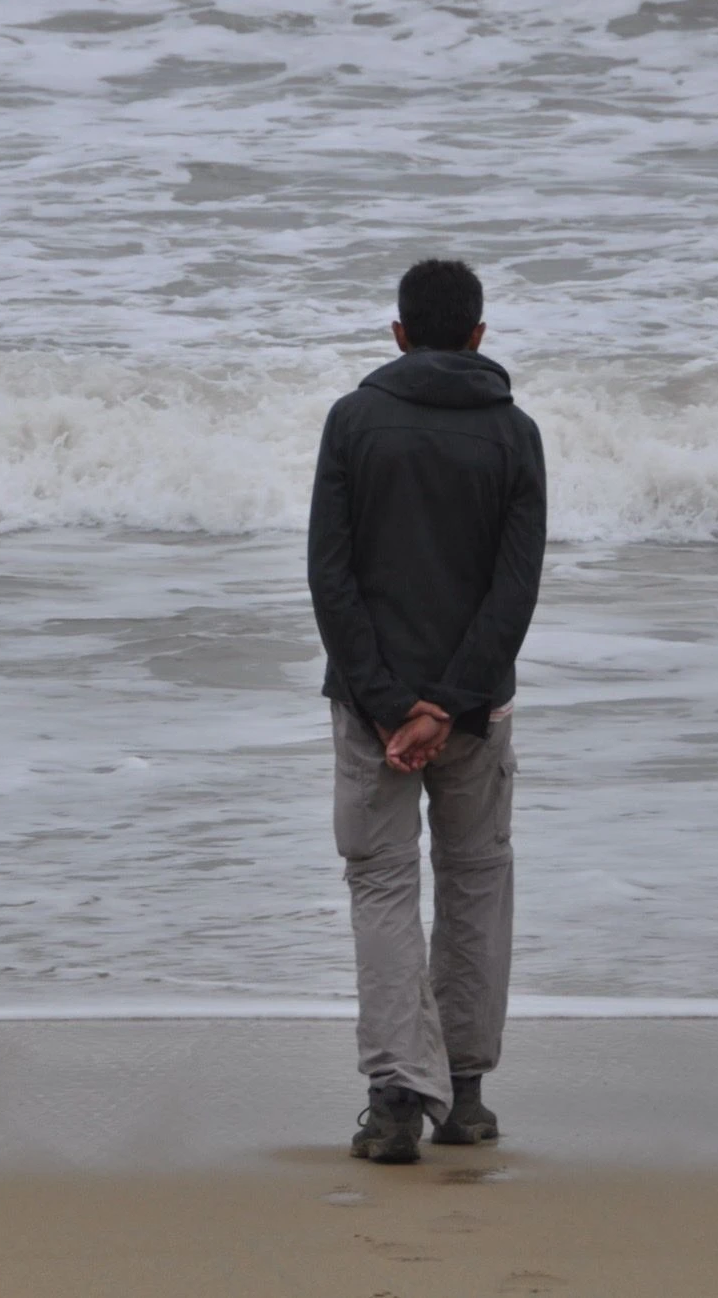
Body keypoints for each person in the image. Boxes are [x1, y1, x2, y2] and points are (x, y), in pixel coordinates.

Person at [307, 257, 546, 1165]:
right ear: (478, 335)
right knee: (477, 877)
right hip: (477, 706)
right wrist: (446, 703)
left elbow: (329, 574)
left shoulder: (353, 421)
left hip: (371, 703)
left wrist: (383, 702)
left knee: (382, 883)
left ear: (399, 333)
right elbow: (514, 590)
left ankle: (397, 1100)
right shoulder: (514, 433)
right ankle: (466, 1096)